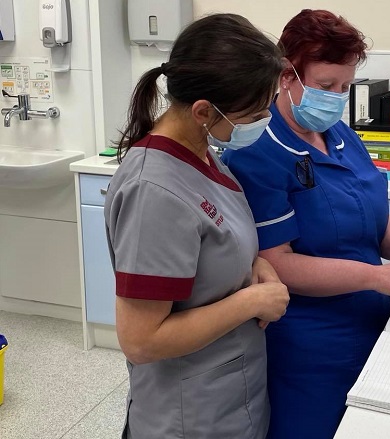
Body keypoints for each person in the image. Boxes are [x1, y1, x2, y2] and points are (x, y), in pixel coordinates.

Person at [222, 9, 390, 439]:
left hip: (374, 320)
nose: (336, 97)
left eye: (345, 86)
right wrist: (375, 276)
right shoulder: (256, 151)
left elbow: (368, 206)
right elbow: (277, 263)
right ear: (286, 75)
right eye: (325, 86)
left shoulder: (339, 134)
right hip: (310, 346)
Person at [103, 14, 290, 439]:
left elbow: (213, 242)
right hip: (188, 415)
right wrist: (251, 302)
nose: (264, 122)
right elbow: (141, 340)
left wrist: (254, 264)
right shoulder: (153, 190)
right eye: (256, 113)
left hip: (228, 396)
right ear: (204, 110)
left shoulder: (202, 153)